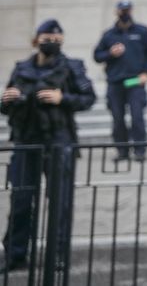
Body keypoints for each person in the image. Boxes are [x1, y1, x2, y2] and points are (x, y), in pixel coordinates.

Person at [1, 19, 96, 274]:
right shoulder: (22, 68)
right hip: (26, 141)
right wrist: (6, 99)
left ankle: (58, 255)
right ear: (36, 40)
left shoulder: (72, 67)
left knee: (60, 202)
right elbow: (5, 106)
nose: (51, 42)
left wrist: (62, 98)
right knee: (21, 200)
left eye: (56, 39)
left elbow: (88, 98)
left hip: (58, 142)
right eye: (46, 38)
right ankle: (15, 255)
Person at [93, 0, 147, 162]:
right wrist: (110, 53)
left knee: (137, 116)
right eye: (122, 10)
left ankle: (140, 150)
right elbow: (97, 56)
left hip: (135, 81)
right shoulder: (109, 35)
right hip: (115, 82)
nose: (125, 13)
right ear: (116, 11)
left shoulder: (142, 31)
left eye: (127, 10)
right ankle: (122, 150)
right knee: (117, 118)